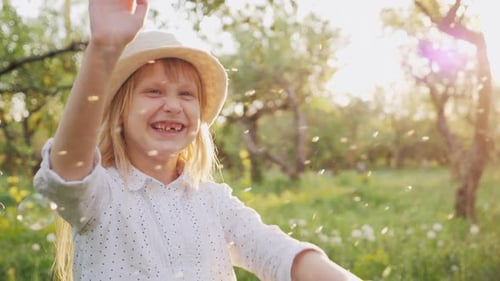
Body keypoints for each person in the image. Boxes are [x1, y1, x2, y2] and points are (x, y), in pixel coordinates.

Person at [34, 0, 363, 280]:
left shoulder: (214, 202)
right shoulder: (101, 196)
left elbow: (275, 251)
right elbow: (67, 167)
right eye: (154, 91)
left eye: (186, 95)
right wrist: (103, 49)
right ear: (120, 111)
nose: (173, 106)